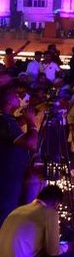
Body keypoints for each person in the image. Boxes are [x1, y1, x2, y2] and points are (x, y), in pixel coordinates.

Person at [0, 87, 38, 222]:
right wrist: (32, 123)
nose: (19, 98)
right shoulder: (6, 122)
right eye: (15, 96)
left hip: (9, 172)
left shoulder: (6, 119)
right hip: (8, 176)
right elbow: (31, 143)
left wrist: (25, 118)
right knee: (7, 212)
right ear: (9, 102)